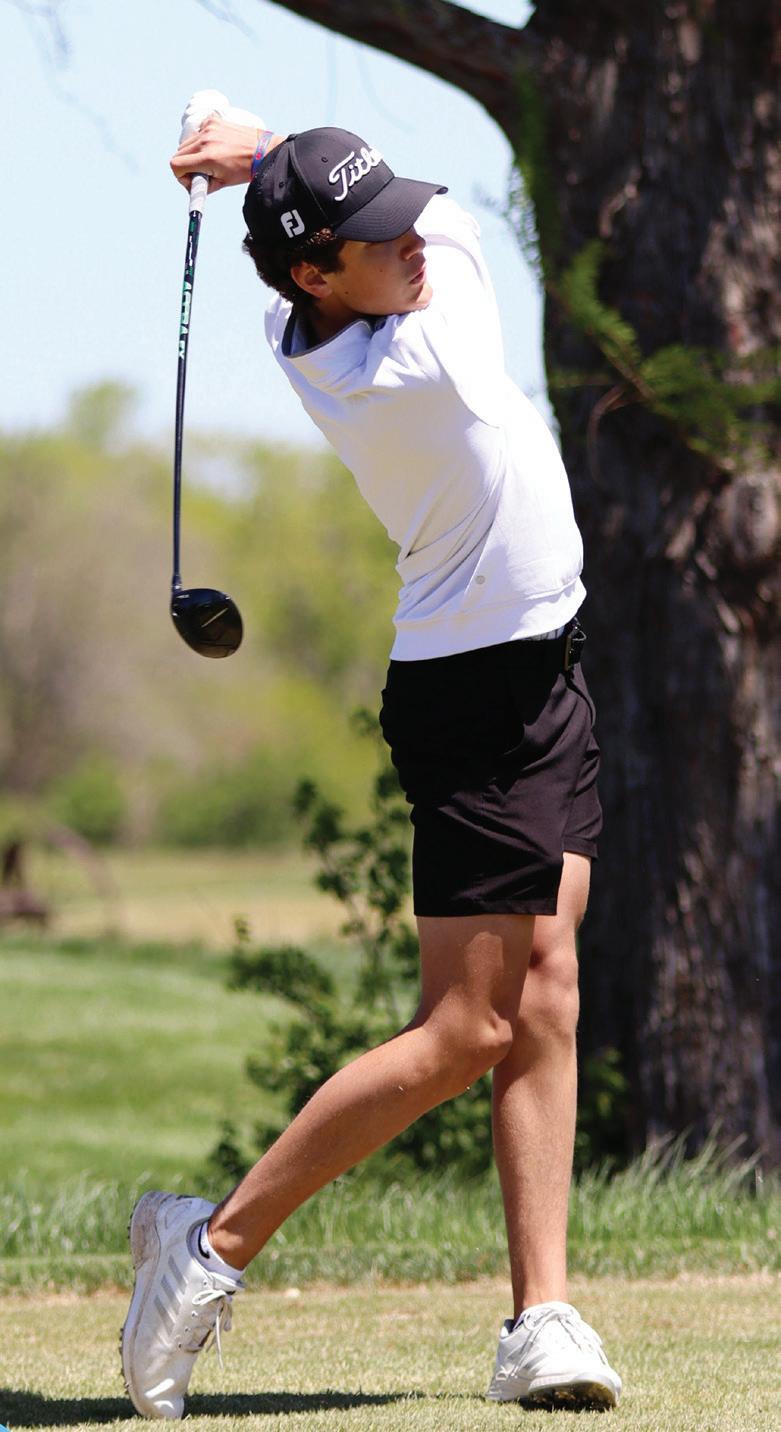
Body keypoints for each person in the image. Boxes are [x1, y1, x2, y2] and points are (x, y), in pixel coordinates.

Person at [119, 109, 622, 1419]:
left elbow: (378, 216)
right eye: (374, 235)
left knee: (549, 990)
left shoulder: (309, 317)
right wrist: (259, 146)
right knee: (469, 1030)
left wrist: (261, 160)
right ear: (314, 273)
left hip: (542, 662)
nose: (408, 240)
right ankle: (209, 1248)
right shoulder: (428, 350)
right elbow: (446, 229)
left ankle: (541, 1318)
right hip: (476, 702)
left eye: (401, 218)